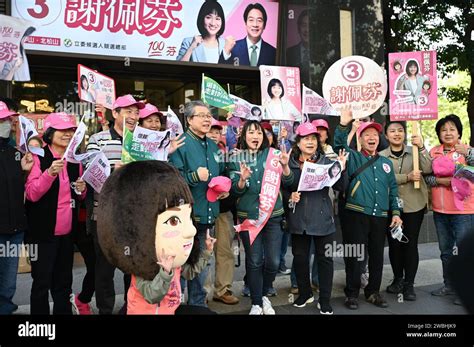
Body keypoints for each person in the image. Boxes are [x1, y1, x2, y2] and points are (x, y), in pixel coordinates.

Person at [97, 160, 216, 314]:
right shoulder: (143, 267)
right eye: (173, 221)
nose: (191, 230)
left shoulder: (173, 260)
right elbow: (152, 295)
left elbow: (190, 272)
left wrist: (206, 252)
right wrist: (165, 273)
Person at [334, 109, 402, 310]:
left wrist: (396, 213)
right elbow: (339, 145)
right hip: (356, 213)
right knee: (355, 255)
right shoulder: (353, 157)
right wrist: (343, 125)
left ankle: (373, 292)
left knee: (376, 256)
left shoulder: (386, 163)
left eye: (375, 135)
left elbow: (394, 191)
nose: (372, 138)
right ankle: (352, 293)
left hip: (380, 216)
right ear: (360, 139)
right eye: (367, 135)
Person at [86, 95, 145, 314]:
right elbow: (91, 175)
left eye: (136, 112)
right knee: (104, 270)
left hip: (134, 218)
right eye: (128, 111)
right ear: (115, 113)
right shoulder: (98, 139)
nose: (133, 116)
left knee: (132, 269)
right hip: (105, 217)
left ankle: (130, 309)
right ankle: (105, 310)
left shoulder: (141, 142)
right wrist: (113, 171)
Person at [228, 120, 293, 314]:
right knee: (254, 260)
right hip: (249, 217)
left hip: (273, 216)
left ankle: (265, 294)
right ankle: (256, 302)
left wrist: (286, 166)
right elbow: (234, 191)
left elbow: (289, 182)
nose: (255, 136)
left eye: (258, 133)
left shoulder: (274, 155)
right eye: (250, 133)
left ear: (263, 137)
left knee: (273, 261)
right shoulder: (235, 158)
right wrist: (241, 181)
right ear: (244, 136)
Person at [25, 112, 87, 314]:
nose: (68, 134)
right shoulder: (37, 156)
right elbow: (32, 194)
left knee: (63, 284)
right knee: (41, 284)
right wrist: (49, 173)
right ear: (50, 133)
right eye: (63, 130)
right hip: (42, 234)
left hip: (66, 235)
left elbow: (79, 196)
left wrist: (81, 188)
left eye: (71, 130)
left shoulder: (75, 161)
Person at [284, 123, 347, 314]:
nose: (310, 142)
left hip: (322, 219)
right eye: (306, 139)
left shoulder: (326, 162)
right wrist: (289, 196)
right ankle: (304, 293)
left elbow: (341, 188)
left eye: (313, 138)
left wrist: (341, 169)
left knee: (325, 259)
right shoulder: (290, 162)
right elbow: (284, 187)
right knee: (300, 258)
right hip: (298, 219)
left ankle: (325, 299)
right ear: (298, 142)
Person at [169, 101, 226, 307]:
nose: (206, 119)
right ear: (189, 119)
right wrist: (194, 175)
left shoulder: (213, 145)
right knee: (182, 265)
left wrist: (223, 189)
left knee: (201, 265)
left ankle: (197, 306)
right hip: (186, 217)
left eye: (208, 116)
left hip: (209, 214)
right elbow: (173, 179)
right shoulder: (180, 143)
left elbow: (220, 175)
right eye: (201, 115)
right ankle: (175, 306)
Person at [379, 121, 432, 301]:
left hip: (413, 205)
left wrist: (422, 146)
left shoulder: (415, 151)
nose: (396, 134)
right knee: (394, 244)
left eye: (400, 130)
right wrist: (406, 177)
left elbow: (429, 168)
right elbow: (381, 178)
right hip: (390, 207)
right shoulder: (381, 156)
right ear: (386, 135)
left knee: (410, 244)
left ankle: (409, 284)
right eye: (392, 131)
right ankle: (398, 279)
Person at [425, 114, 474, 304]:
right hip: (440, 211)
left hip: (464, 212)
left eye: (452, 129)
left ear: (459, 132)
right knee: (445, 251)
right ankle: (449, 285)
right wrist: (443, 181)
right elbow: (426, 178)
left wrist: (468, 154)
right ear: (438, 133)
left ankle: (467, 290)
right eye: (443, 129)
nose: (447, 132)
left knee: (465, 252)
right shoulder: (433, 152)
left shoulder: (468, 150)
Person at [0, 102, 33, 315]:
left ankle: (5, 308)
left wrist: (24, 171)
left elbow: (15, 185)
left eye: (8, 120)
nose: (8, 123)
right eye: (2, 120)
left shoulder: (15, 152)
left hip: (15, 230)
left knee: (9, 280)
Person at [205, 118, 240, 305]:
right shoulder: (195, 151)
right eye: (210, 130)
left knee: (225, 251)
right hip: (201, 210)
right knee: (203, 252)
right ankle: (201, 293)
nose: (213, 134)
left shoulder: (229, 155)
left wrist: (230, 187)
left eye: (217, 131)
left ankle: (222, 289)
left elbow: (235, 180)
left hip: (223, 210)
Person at [286, 10, 310, 85]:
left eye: (310, 26)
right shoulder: (289, 53)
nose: (307, 30)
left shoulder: (322, 54)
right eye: (304, 25)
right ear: (298, 28)